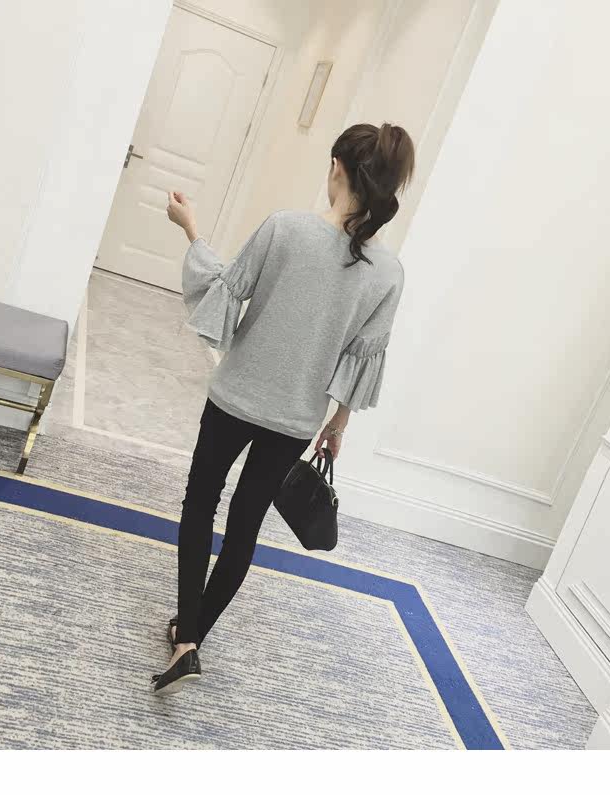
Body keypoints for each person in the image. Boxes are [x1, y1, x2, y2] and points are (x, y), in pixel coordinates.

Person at [151, 123, 415, 694]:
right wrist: (337, 424)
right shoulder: (390, 274)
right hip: (298, 418)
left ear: (337, 167)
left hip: (235, 397)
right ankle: (191, 638)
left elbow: (224, 287)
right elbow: (360, 360)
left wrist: (191, 228)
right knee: (244, 526)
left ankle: (187, 636)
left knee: (201, 503)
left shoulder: (285, 228)